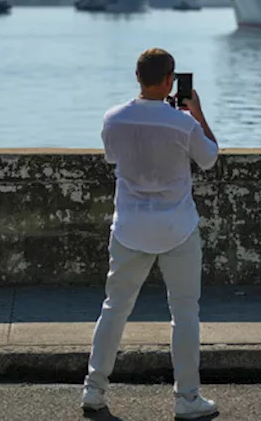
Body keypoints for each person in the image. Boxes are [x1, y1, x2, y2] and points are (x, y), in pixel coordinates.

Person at [81, 48, 220, 421]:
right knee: (185, 312)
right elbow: (209, 158)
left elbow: (113, 158)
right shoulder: (183, 124)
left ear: (138, 77)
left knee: (114, 308)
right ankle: (186, 397)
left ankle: (94, 390)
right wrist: (197, 113)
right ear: (169, 81)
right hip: (177, 227)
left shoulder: (113, 119)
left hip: (129, 227)